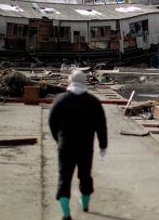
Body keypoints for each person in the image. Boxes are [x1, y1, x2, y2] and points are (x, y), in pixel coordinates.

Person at [48, 69, 108, 220]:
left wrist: (58, 138)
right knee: (85, 175)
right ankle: (85, 205)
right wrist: (103, 144)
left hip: (65, 146)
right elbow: (101, 124)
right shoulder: (93, 102)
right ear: (84, 82)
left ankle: (66, 213)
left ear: (70, 81)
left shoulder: (60, 100)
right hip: (85, 146)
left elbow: (52, 122)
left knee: (64, 177)